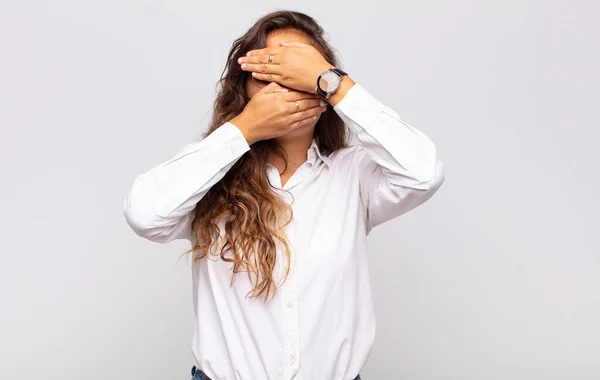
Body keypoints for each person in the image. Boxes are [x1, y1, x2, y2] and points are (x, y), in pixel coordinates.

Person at [123, 10, 445, 380]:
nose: (282, 87)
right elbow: (144, 215)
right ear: (243, 90)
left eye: (296, 73)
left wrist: (333, 82)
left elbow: (424, 174)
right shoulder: (208, 175)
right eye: (267, 73)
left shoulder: (353, 175)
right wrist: (243, 129)